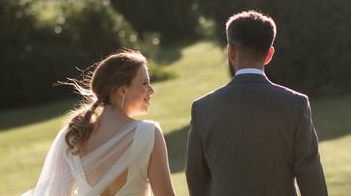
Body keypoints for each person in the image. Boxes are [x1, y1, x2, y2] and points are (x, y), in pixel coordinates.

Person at [185, 10, 328, 195]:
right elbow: (311, 176)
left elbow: (196, 177)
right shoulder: (295, 104)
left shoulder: (202, 108)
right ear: (269, 54)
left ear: (231, 51)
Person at [22, 50, 176, 196]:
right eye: (145, 83)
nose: (152, 90)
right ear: (122, 90)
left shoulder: (74, 135)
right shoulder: (148, 133)